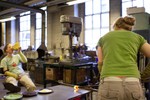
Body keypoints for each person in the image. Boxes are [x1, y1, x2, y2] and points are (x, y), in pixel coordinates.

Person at [97, 16, 150, 100]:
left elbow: (100, 63)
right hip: (133, 82)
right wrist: (144, 75)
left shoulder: (104, 38)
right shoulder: (138, 37)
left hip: (110, 82)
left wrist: (103, 75)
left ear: (116, 26)